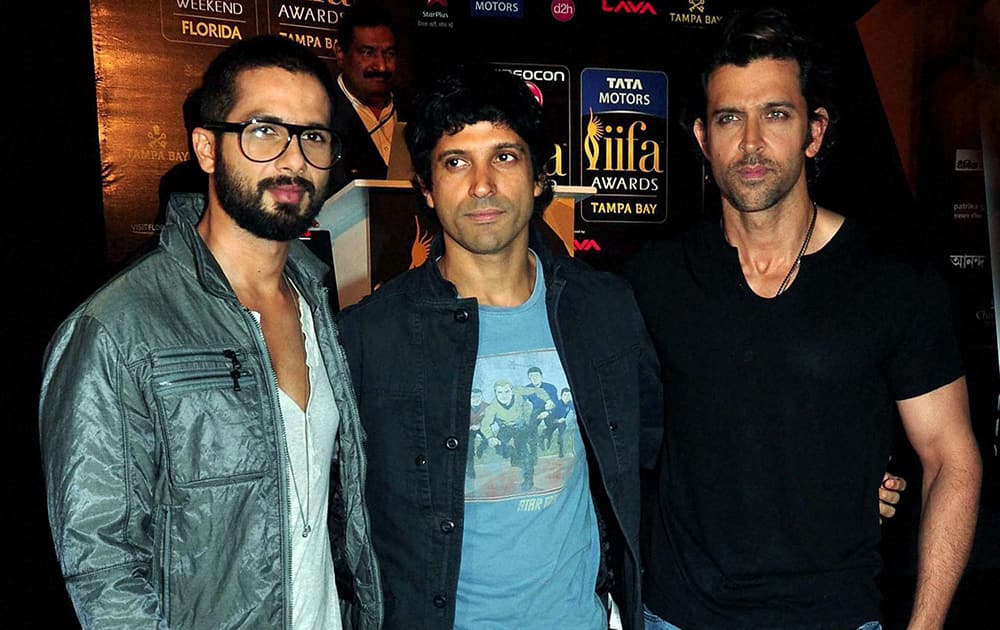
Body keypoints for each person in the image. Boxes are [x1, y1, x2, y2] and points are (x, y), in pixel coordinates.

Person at [628, 8, 982, 630]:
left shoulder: (891, 281)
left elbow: (952, 457)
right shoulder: (654, 279)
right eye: (730, 118)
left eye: (777, 114)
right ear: (702, 138)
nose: (753, 143)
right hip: (679, 616)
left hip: (835, 617)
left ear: (814, 133)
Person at [39, 35, 382, 629]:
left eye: (313, 135)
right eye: (264, 130)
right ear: (206, 146)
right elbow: (101, 566)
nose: (293, 159)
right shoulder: (117, 328)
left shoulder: (321, 307)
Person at [336, 64, 663, 629]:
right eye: (456, 162)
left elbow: (648, 461)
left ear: (539, 178)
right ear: (427, 190)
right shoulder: (372, 336)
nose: (482, 185)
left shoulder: (605, 310)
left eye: (505, 157)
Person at [331, 2, 401, 192]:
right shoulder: (322, 113)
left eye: (389, 53)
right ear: (340, 54)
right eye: (367, 53)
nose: (381, 66)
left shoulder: (416, 111)